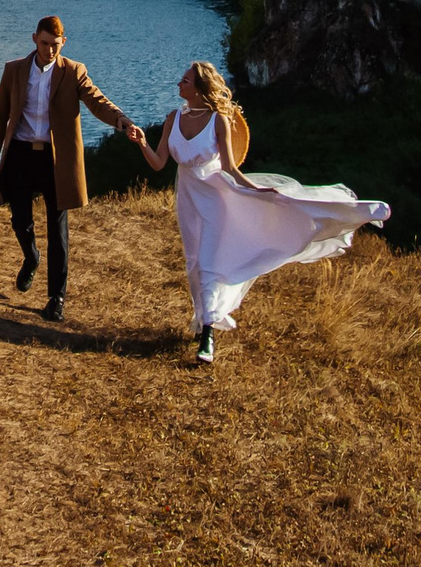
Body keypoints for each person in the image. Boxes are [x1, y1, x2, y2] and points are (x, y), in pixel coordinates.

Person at [133, 60, 390, 364]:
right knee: (194, 263)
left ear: (200, 89)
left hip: (216, 198)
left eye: (185, 81)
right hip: (187, 199)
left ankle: (207, 337)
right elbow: (159, 163)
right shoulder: (172, 118)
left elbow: (230, 168)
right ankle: (201, 318)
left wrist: (259, 191)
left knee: (210, 263)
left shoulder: (218, 120)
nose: (179, 83)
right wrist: (142, 142)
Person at [0, 15, 142, 323]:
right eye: (44, 43)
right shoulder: (14, 70)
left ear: (63, 42)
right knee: (20, 220)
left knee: (57, 229)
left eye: (55, 45)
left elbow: (97, 101)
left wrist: (122, 120)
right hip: (20, 154)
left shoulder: (74, 72)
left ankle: (57, 298)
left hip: (55, 159)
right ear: (34, 39)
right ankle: (31, 257)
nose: (50, 50)